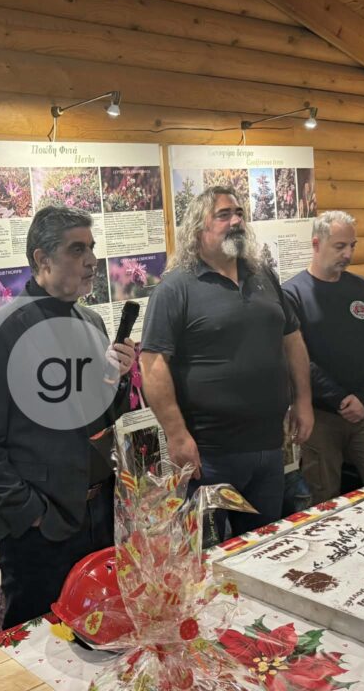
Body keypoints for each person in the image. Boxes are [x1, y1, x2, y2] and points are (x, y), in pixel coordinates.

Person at [0, 205, 134, 628]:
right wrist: (33, 513)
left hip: (100, 517)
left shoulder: (92, 322)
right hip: (42, 533)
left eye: (92, 247)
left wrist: (120, 378)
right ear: (42, 259)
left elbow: (101, 417)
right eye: (77, 250)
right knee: (38, 646)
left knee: (101, 635)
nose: (92, 260)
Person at [140, 186, 313, 539]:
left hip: (269, 446)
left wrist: (304, 401)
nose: (235, 221)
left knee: (264, 547)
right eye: (223, 215)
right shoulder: (175, 288)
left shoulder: (263, 277)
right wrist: (176, 434)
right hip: (209, 455)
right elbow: (153, 363)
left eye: (239, 214)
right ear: (197, 228)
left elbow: (293, 339)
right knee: (210, 555)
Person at [283, 211, 364, 504]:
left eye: (352, 246)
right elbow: (297, 358)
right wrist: (338, 399)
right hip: (320, 416)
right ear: (316, 243)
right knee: (322, 500)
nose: (348, 254)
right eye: (340, 246)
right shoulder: (292, 295)